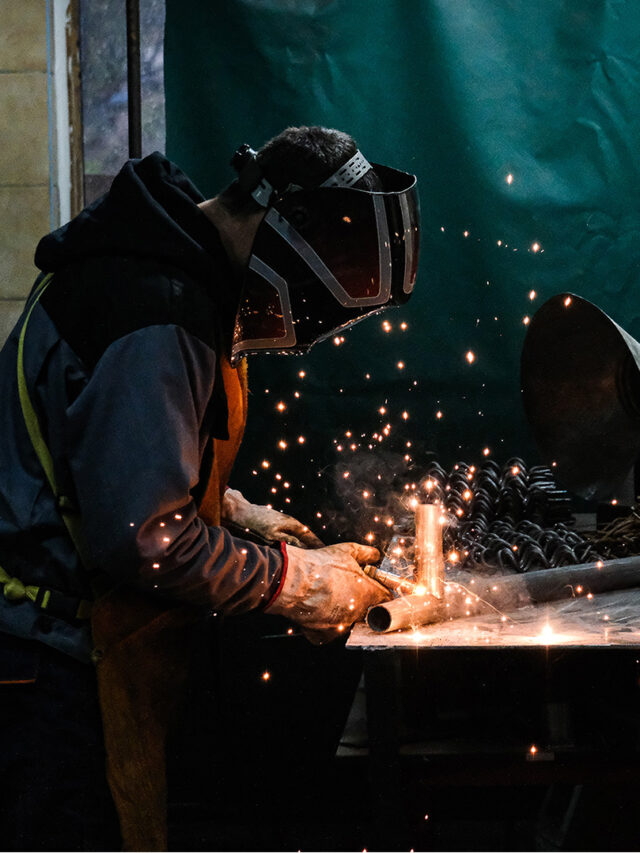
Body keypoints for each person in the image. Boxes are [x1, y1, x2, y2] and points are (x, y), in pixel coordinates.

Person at [0, 126, 420, 850]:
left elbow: (99, 457)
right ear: (275, 221)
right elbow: (144, 540)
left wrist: (234, 511)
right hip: (47, 668)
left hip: (52, 651)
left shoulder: (160, 259)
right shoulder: (159, 309)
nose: (317, 320)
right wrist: (296, 583)